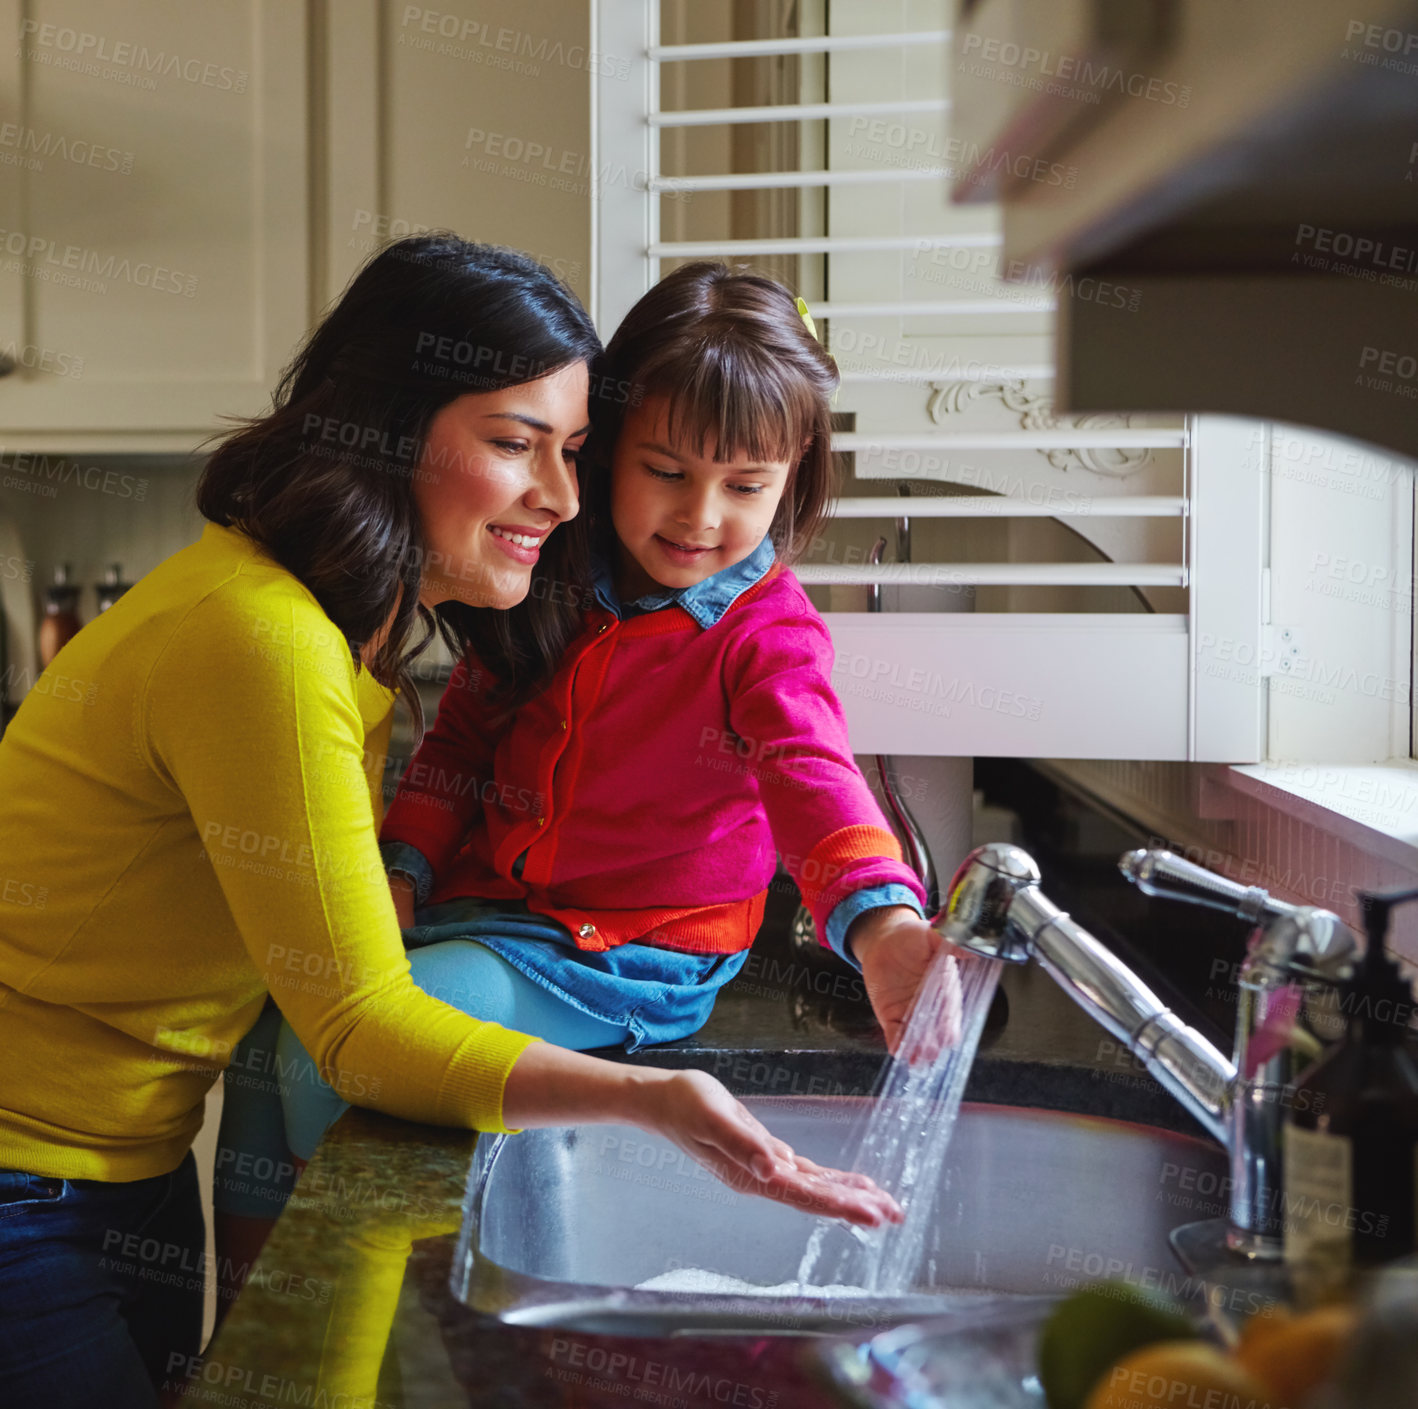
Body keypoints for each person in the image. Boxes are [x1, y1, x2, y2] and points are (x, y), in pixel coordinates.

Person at [0, 237, 899, 1409]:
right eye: (515, 444)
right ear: (385, 427)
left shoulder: (325, 621)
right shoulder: (267, 640)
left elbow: (809, 767)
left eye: (574, 451)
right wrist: (651, 1099)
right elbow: (364, 1029)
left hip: (118, 1172)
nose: (564, 497)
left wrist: (880, 917)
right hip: (32, 1186)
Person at [270, 260, 960, 1166]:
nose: (700, 516)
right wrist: (405, 865)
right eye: (665, 470)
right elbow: (465, 735)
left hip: (628, 954)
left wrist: (883, 926)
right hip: (486, 910)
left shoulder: (768, 635)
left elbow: (813, 772)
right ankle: (263, 1303)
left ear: (792, 478)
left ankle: (333, 1299)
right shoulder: (549, 570)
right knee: (270, 1041)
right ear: (607, 444)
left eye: (746, 486)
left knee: (315, 1053)